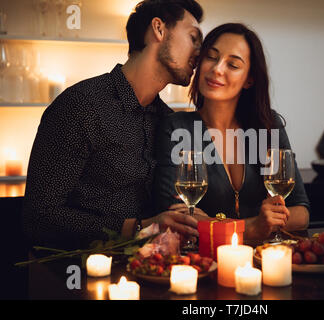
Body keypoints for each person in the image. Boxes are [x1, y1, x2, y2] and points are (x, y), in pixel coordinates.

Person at [22, 0, 205, 249]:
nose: (199, 51)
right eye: (193, 38)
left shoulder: (168, 121)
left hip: (152, 267)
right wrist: (137, 228)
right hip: (75, 270)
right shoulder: (82, 106)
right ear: (159, 30)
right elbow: (40, 217)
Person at [153, 23, 310, 240]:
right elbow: (177, 217)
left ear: (249, 79)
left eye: (233, 65)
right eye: (211, 57)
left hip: (265, 261)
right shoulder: (176, 128)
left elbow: (301, 212)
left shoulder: (268, 125)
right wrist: (252, 226)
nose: (217, 69)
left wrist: (211, 224)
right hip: (205, 263)